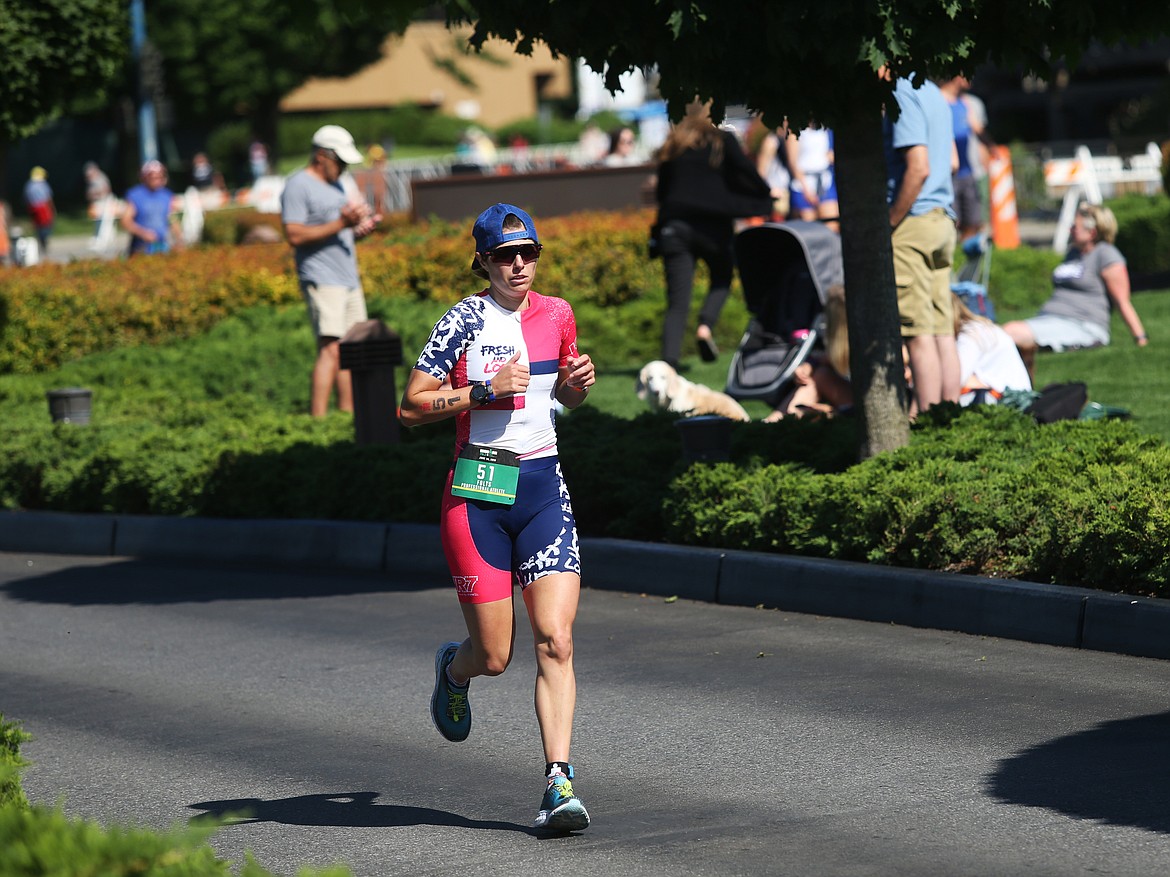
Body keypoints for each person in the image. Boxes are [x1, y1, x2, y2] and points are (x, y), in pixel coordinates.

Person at [398, 203, 595, 832]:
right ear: (483, 261)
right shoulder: (462, 320)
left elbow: (559, 392)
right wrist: (481, 390)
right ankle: (453, 671)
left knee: (556, 641)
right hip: (478, 495)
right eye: (506, 255)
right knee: (494, 655)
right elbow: (411, 407)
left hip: (541, 489)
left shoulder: (558, 314)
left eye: (529, 253)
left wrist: (575, 386)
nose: (519, 265)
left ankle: (558, 784)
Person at [654, 100, 775, 367]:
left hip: (674, 227)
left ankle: (668, 366)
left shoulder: (673, 144)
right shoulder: (721, 141)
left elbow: (662, 193)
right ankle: (705, 327)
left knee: (677, 300)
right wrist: (764, 197)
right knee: (722, 275)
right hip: (713, 227)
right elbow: (748, 174)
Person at [280, 125, 380, 418]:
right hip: (322, 278)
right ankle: (318, 421)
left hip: (348, 277)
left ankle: (348, 416)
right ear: (322, 156)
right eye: (341, 161)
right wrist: (341, 224)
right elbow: (294, 234)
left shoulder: (337, 183)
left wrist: (359, 229)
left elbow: (340, 228)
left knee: (350, 351)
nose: (345, 167)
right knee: (330, 350)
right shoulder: (298, 185)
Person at [883, 71, 960, 415]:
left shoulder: (901, 91)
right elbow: (953, 162)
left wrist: (889, 222)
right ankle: (950, 417)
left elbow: (918, 168)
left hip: (914, 222)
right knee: (943, 331)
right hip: (942, 218)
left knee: (917, 334)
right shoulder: (932, 91)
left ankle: (929, 424)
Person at [1003, 202, 1148, 382]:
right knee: (995, 334)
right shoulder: (1073, 253)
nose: (1071, 230)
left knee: (1008, 332)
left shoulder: (1107, 254)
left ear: (1092, 232)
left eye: (1075, 227)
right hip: (1049, 320)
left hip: (1083, 324)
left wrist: (1141, 338)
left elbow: (1122, 300)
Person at [953, 293, 1031, 405]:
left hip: (1010, 399)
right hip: (1012, 394)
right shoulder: (977, 327)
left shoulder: (970, 334)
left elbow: (956, 379)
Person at [938, 75, 988, 244]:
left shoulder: (964, 102)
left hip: (967, 172)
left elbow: (977, 128)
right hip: (948, 173)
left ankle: (970, 262)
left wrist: (991, 148)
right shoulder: (938, 100)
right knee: (951, 222)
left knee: (973, 222)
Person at [121, 160, 182, 257]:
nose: (156, 180)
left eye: (159, 177)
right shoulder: (135, 195)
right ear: (145, 177)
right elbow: (126, 221)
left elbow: (172, 219)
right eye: (153, 178)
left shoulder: (166, 195)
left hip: (162, 247)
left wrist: (179, 239)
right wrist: (143, 233)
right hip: (141, 248)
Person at [785, 123, 839, 228]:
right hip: (803, 183)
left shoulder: (826, 129)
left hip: (824, 181)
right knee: (808, 226)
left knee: (831, 224)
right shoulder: (795, 130)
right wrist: (806, 189)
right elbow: (793, 162)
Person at [23, 167, 55, 255]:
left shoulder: (28, 185)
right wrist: (52, 209)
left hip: (33, 208)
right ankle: (44, 242)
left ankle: (41, 241)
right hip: (43, 208)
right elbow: (48, 198)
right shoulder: (43, 184)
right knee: (46, 226)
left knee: (38, 227)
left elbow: (26, 199)